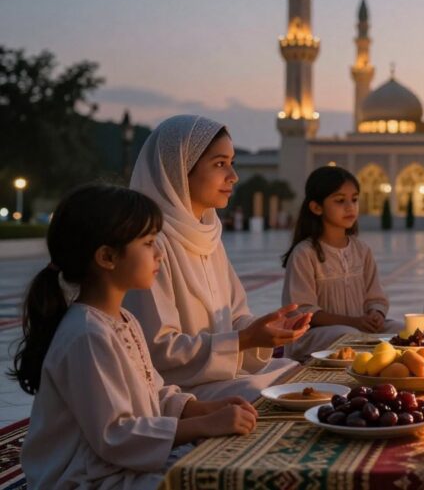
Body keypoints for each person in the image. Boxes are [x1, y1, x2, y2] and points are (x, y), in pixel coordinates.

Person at [14, 184, 257, 489]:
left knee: (226, 464)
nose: (160, 254)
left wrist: (202, 409)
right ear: (107, 257)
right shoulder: (86, 335)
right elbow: (115, 435)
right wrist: (202, 426)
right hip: (86, 478)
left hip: (118, 465)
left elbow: (152, 393)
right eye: (149, 243)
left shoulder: (124, 320)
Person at [125, 115, 311, 401]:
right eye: (220, 164)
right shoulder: (150, 243)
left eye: (232, 162)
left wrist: (264, 329)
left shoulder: (208, 236)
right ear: (179, 170)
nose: (233, 176)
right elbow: (158, 350)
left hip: (220, 375)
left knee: (298, 374)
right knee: (267, 394)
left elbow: (234, 317)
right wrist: (244, 340)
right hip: (178, 391)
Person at [280, 166, 403, 360]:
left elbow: (376, 297)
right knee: (347, 336)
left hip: (359, 328)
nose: (350, 207)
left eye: (354, 199)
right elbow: (303, 310)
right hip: (316, 335)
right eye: (340, 201)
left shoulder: (362, 250)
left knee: (403, 331)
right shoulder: (305, 253)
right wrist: (354, 322)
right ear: (316, 207)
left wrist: (376, 314)